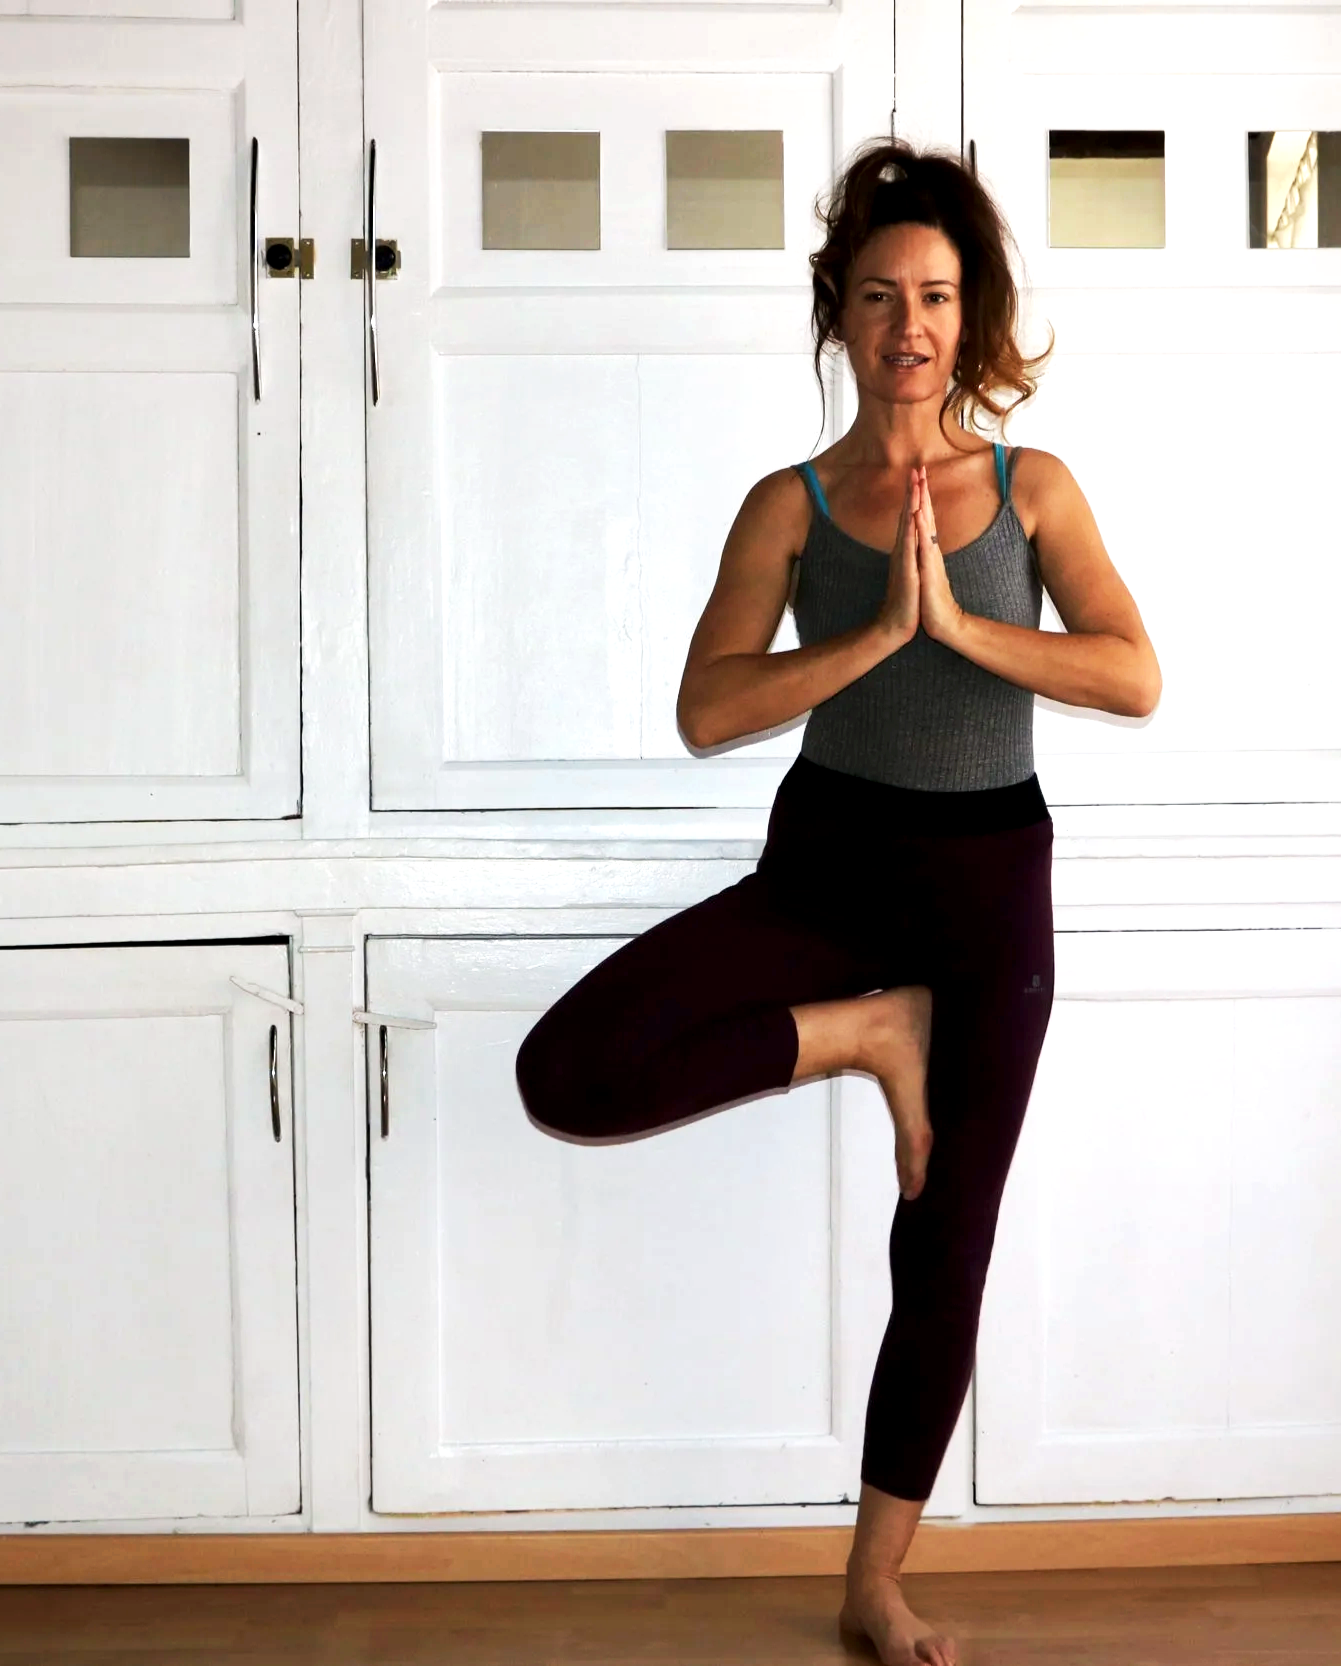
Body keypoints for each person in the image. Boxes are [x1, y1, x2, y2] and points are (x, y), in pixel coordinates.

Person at [514, 137, 1161, 1666]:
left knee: (944, 1236)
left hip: (987, 882)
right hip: (827, 864)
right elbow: (707, 709)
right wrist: (873, 641)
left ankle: (875, 1578)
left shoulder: (1029, 486)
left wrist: (958, 627)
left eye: (935, 294)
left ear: (971, 312)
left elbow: (1131, 675)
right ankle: (866, 1031)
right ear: (840, 315)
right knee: (570, 1070)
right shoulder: (789, 504)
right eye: (878, 296)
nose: (908, 326)